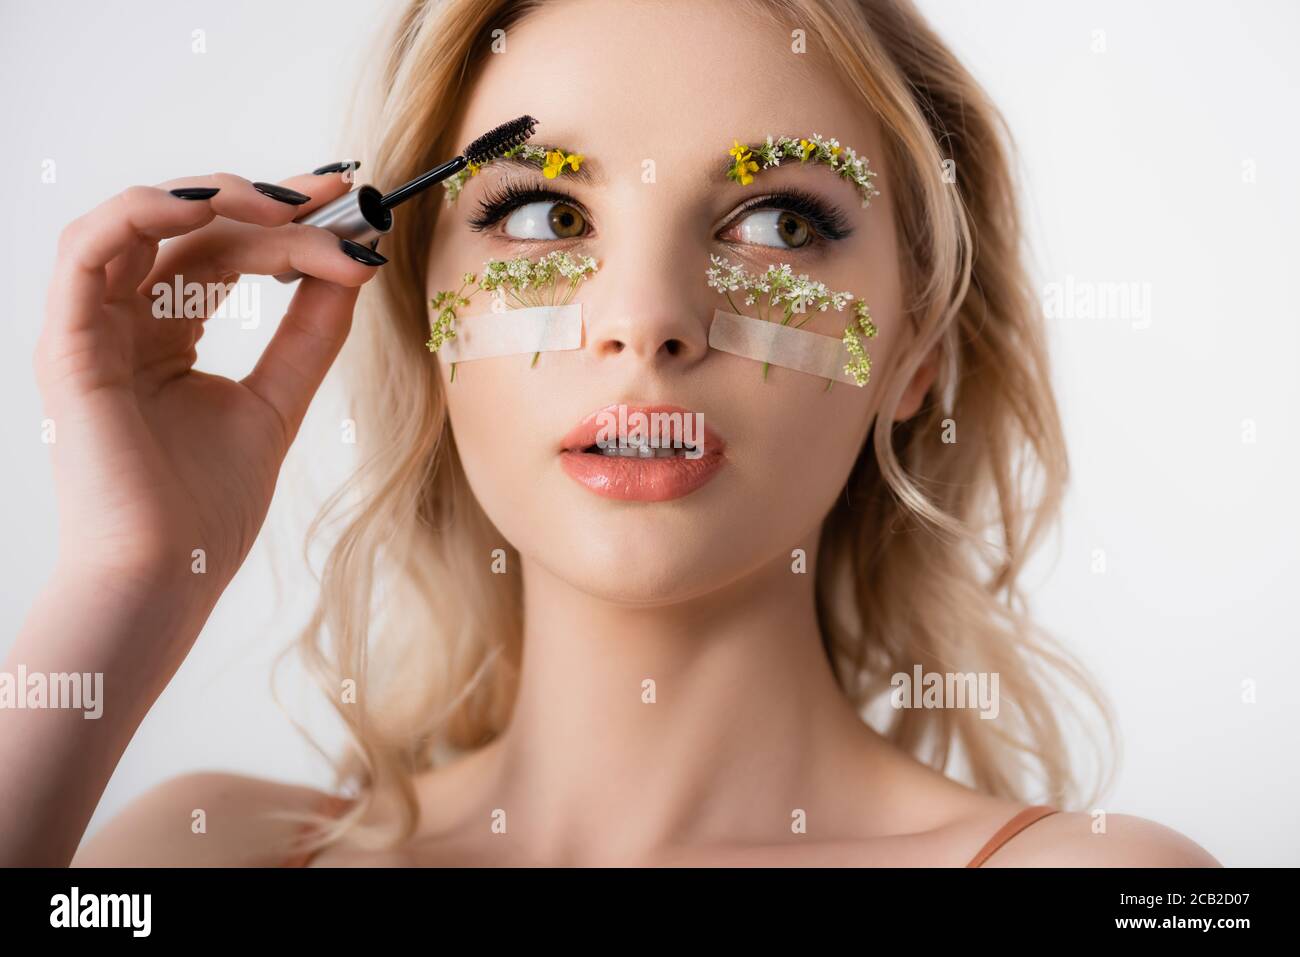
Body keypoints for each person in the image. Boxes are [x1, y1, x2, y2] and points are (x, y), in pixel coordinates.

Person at [5, 0, 1219, 867]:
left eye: (782, 225)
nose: (644, 322)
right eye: (543, 211)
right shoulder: (198, 855)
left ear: (916, 349)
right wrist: (131, 579)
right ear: (420, 309)